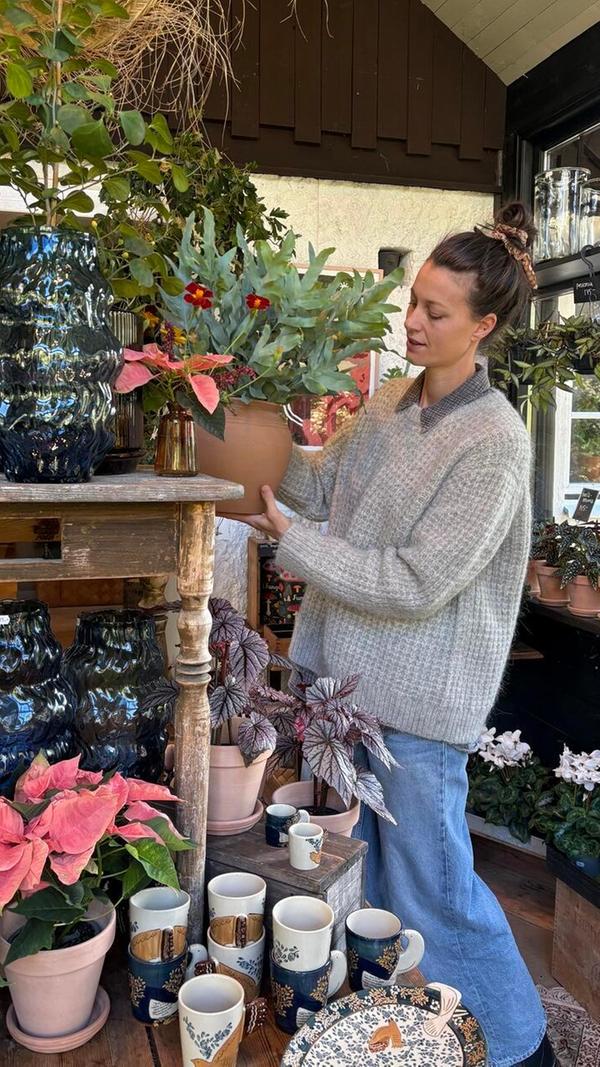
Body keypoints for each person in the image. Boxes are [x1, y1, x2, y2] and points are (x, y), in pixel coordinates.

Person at [243, 202, 558, 1067]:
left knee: (437, 888)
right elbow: (319, 487)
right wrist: (254, 430)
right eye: (414, 300)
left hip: (417, 709)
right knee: (365, 883)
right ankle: (406, 1036)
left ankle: (520, 1047)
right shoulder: (388, 401)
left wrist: (293, 544)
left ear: (483, 326)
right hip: (343, 689)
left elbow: (419, 582)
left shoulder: (493, 442)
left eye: (436, 311)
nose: (412, 321)